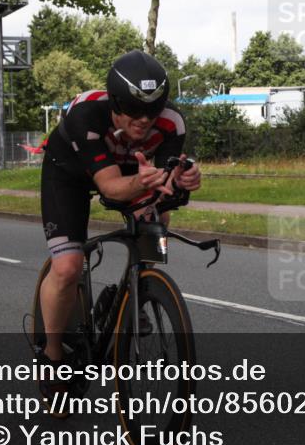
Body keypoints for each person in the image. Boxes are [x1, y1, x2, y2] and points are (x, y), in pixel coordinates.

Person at [38, 50, 201, 368]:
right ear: (114, 102)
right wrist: (143, 183)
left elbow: (167, 182)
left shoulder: (172, 123)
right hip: (68, 172)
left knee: (157, 221)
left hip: (127, 169)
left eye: (152, 110)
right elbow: (110, 187)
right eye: (133, 109)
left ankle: (134, 290)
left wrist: (186, 178)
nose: (144, 119)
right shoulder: (86, 114)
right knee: (68, 267)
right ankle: (52, 354)